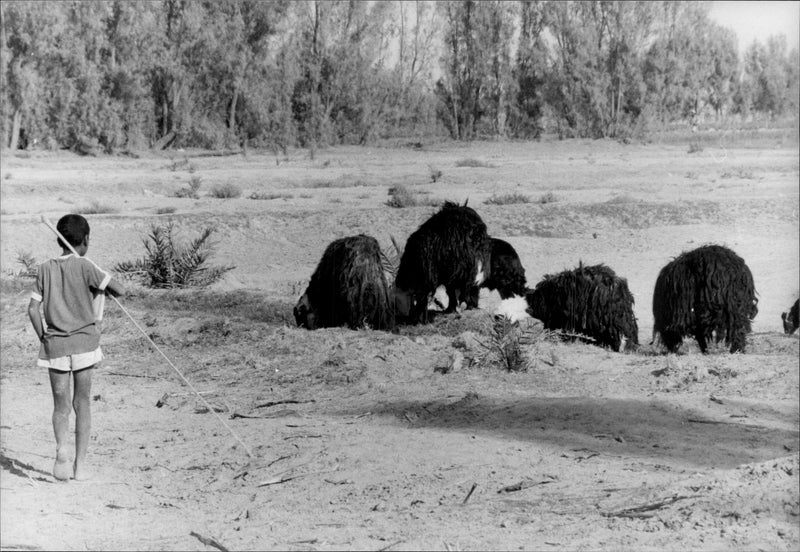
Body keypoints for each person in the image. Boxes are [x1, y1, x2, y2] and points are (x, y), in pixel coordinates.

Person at [27, 214, 125, 481]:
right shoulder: (86, 266)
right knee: (82, 404)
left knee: (60, 407)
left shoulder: (45, 268)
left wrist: (43, 337)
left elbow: (33, 309)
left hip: (55, 345)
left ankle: (61, 449)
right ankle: (80, 466)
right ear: (86, 239)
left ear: (58, 240)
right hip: (84, 344)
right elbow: (120, 289)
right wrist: (95, 269)